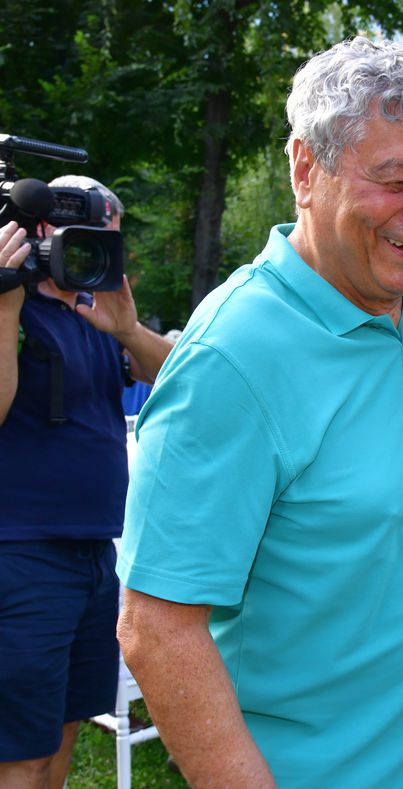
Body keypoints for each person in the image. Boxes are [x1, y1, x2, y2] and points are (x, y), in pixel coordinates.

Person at [115, 37, 403, 788]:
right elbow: (157, 629)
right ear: (306, 170)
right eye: (397, 180)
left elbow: (372, 514)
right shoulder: (233, 355)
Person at [0, 177, 172, 789]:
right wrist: (6, 303)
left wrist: (126, 329)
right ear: (40, 232)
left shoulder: (95, 312)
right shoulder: (14, 308)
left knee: (64, 730)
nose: (98, 255)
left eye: (108, 243)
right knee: (21, 750)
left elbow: (182, 380)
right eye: (86, 240)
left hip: (96, 556)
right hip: (22, 554)